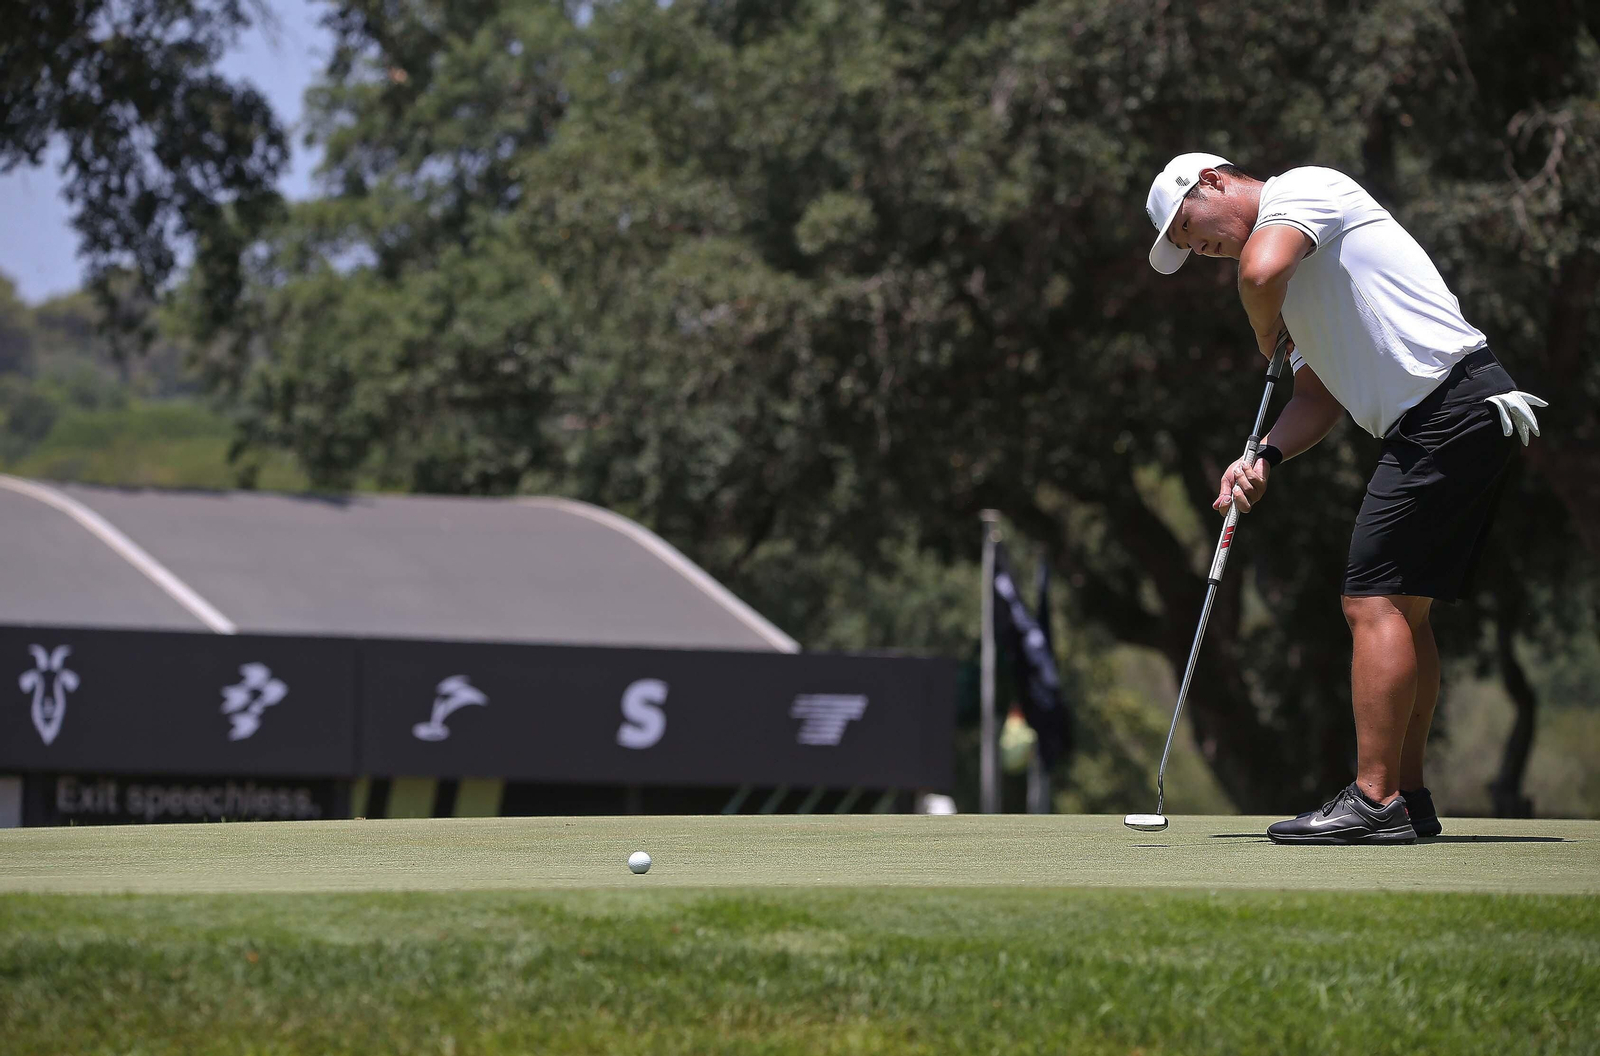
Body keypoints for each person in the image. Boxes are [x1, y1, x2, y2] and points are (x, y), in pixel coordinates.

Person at [1143, 152, 1547, 844]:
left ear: (1212, 182)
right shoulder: (1291, 286)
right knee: (1404, 609)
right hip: (1453, 414)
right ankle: (1407, 798)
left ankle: (1374, 799)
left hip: (1447, 407)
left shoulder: (1303, 191)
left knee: (1371, 601)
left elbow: (1258, 272)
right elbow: (1316, 398)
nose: (1198, 249)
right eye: (1186, 248)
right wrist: (1262, 456)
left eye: (1189, 229)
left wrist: (1266, 331)